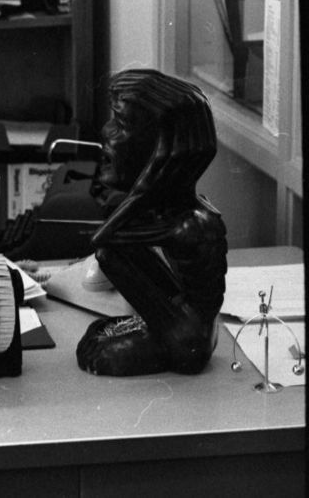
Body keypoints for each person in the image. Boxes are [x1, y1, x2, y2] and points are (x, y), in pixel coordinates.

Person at [74, 68, 227, 376]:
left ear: (161, 146)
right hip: (183, 323)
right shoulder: (175, 211)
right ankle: (147, 328)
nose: (106, 131)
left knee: (109, 253)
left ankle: (155, 338)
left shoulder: (191, 224)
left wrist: (143, 188)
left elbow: (104, 241)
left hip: (188, 341)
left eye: (121, 123)